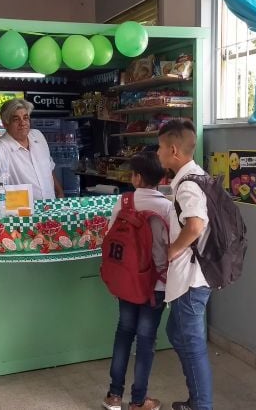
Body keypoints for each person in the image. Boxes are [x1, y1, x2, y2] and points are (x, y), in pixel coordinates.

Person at [102, 153, 172, 410]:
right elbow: (170, 247)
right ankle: (139, 401)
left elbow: (111, 237)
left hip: (128, 281)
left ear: (138, 178)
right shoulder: (165, 206)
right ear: (160, 178)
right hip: (156, 285)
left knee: (123, 332)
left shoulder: (124, 202)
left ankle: (114, 396)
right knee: (146, 340)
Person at [156, 119, 213, 410]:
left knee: (192, 344)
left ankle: (201, 405)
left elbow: (196, 225)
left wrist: (171, 251)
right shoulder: (194, 176)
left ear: (174, 150)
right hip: (193, 276)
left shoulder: (188, 185)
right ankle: (197, 401)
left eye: (161, 147)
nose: (158, 153)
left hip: (192, 278)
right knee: (177, 334)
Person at [0, 98, 64, 200]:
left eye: (25, 118)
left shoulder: (38, 135)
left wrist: (60, 192)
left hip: (51, 207)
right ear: (5, 124)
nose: (22, 123)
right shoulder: (2, 145)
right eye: (16, 119)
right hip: (24, 213)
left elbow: (49, 169)